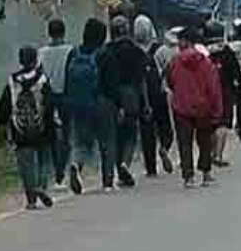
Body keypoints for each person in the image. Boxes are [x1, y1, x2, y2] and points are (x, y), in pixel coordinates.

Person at [0, 46, 55, 210]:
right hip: (40, 128)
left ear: (21, 60)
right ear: (35, 59)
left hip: (20, 129)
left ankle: (31, 198)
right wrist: (50, 126)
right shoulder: (42, 79)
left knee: (25, 164)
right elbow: (49, 105)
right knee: (44, 160)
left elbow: (4, 106)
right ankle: (41, 187)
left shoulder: (12, 81)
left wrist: (2, 125)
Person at [98, 15, 150, 189]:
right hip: (131, 95)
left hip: (109, 97)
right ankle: (125, 164)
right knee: (130, 134)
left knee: (114, 137)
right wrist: (146, 103)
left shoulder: (105, 51)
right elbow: (142, 80)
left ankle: (111, 175)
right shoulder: (137, 51)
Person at [167, 26, 223, 188]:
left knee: (185, 143)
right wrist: (216, 109)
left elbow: (170, 82)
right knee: (204, 141)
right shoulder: (205, 62)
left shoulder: (174, 62)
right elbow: (213, 87)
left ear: (186, 41)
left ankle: (188, 177)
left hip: (181, 107)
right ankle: (206, 174)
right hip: (202, 107)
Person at [65, 18, 112, 194]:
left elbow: (66, 79)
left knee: (82, 142)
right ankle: (107, 182)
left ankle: (76, 164)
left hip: (77, 104)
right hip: (99, 102)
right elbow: (109, 82)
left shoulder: (74, 53)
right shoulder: (103, 54)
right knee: (106, 142)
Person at [134, 15, 175, 177]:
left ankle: (151, 169)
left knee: (147, 133)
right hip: (159, 94)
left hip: (142, 96)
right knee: (165, 127)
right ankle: (164, 147)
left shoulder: (133, 50)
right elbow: (171, 70)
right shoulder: (161, 49)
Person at [38, 18, 74, 187]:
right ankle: (61, 172)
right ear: (63, 32)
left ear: (49, 33)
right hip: (66, 96)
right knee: (67, 135)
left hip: (48, 98)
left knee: (51, 136)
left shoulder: (41, 52)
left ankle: (52, 171)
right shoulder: (70, 50)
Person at [205, 21, 241, 165]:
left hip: (207, 92)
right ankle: (218, 156)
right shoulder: (227, 51)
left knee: (210, 124)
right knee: (223, 124)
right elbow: (236, 72)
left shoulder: (204, 52)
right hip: (225, 92)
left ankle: (209, 152)